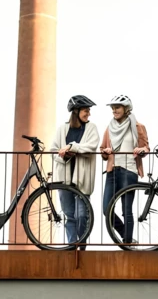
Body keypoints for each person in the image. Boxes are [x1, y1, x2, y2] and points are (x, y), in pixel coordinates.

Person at [50, 95, 100, 250]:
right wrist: (62, 156)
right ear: (76, 111)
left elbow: (91, 147)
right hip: (64, 180)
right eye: (86, 110)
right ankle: (72, 247)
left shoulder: (91, 128)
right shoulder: (62, 129)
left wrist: (72, 147)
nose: (89, 114)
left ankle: (82, 244)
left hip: (82, 179)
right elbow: (53, 151)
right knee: (69, 216)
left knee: (81, 215)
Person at [100, 95, 150, 246]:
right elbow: (102, 150)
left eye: (118, 107)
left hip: (129, 170)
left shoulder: (137, 126)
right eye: (113, 108)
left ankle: (127, 242)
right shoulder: (110, 128)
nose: (114, 110)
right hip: (112, 171)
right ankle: (125, 234)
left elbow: (146, 147)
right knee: (106, 208)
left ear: (126, 108)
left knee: (126, 209)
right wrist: (106, 151)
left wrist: (140, 150)